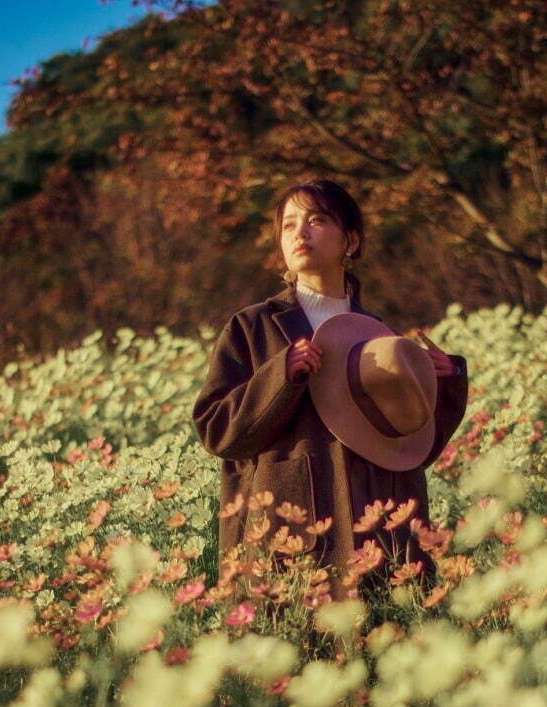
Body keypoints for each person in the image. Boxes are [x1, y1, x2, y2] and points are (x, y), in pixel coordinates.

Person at [191, 178, 469, 604]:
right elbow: (216, 431)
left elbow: (412, 451)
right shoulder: (253, 327)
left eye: (316, 220)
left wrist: (444, 384)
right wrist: (280, 375)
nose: (299, 233)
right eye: (288, 224)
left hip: (378, 534)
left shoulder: (383, 339)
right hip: (288, 533)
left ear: (351, 241)